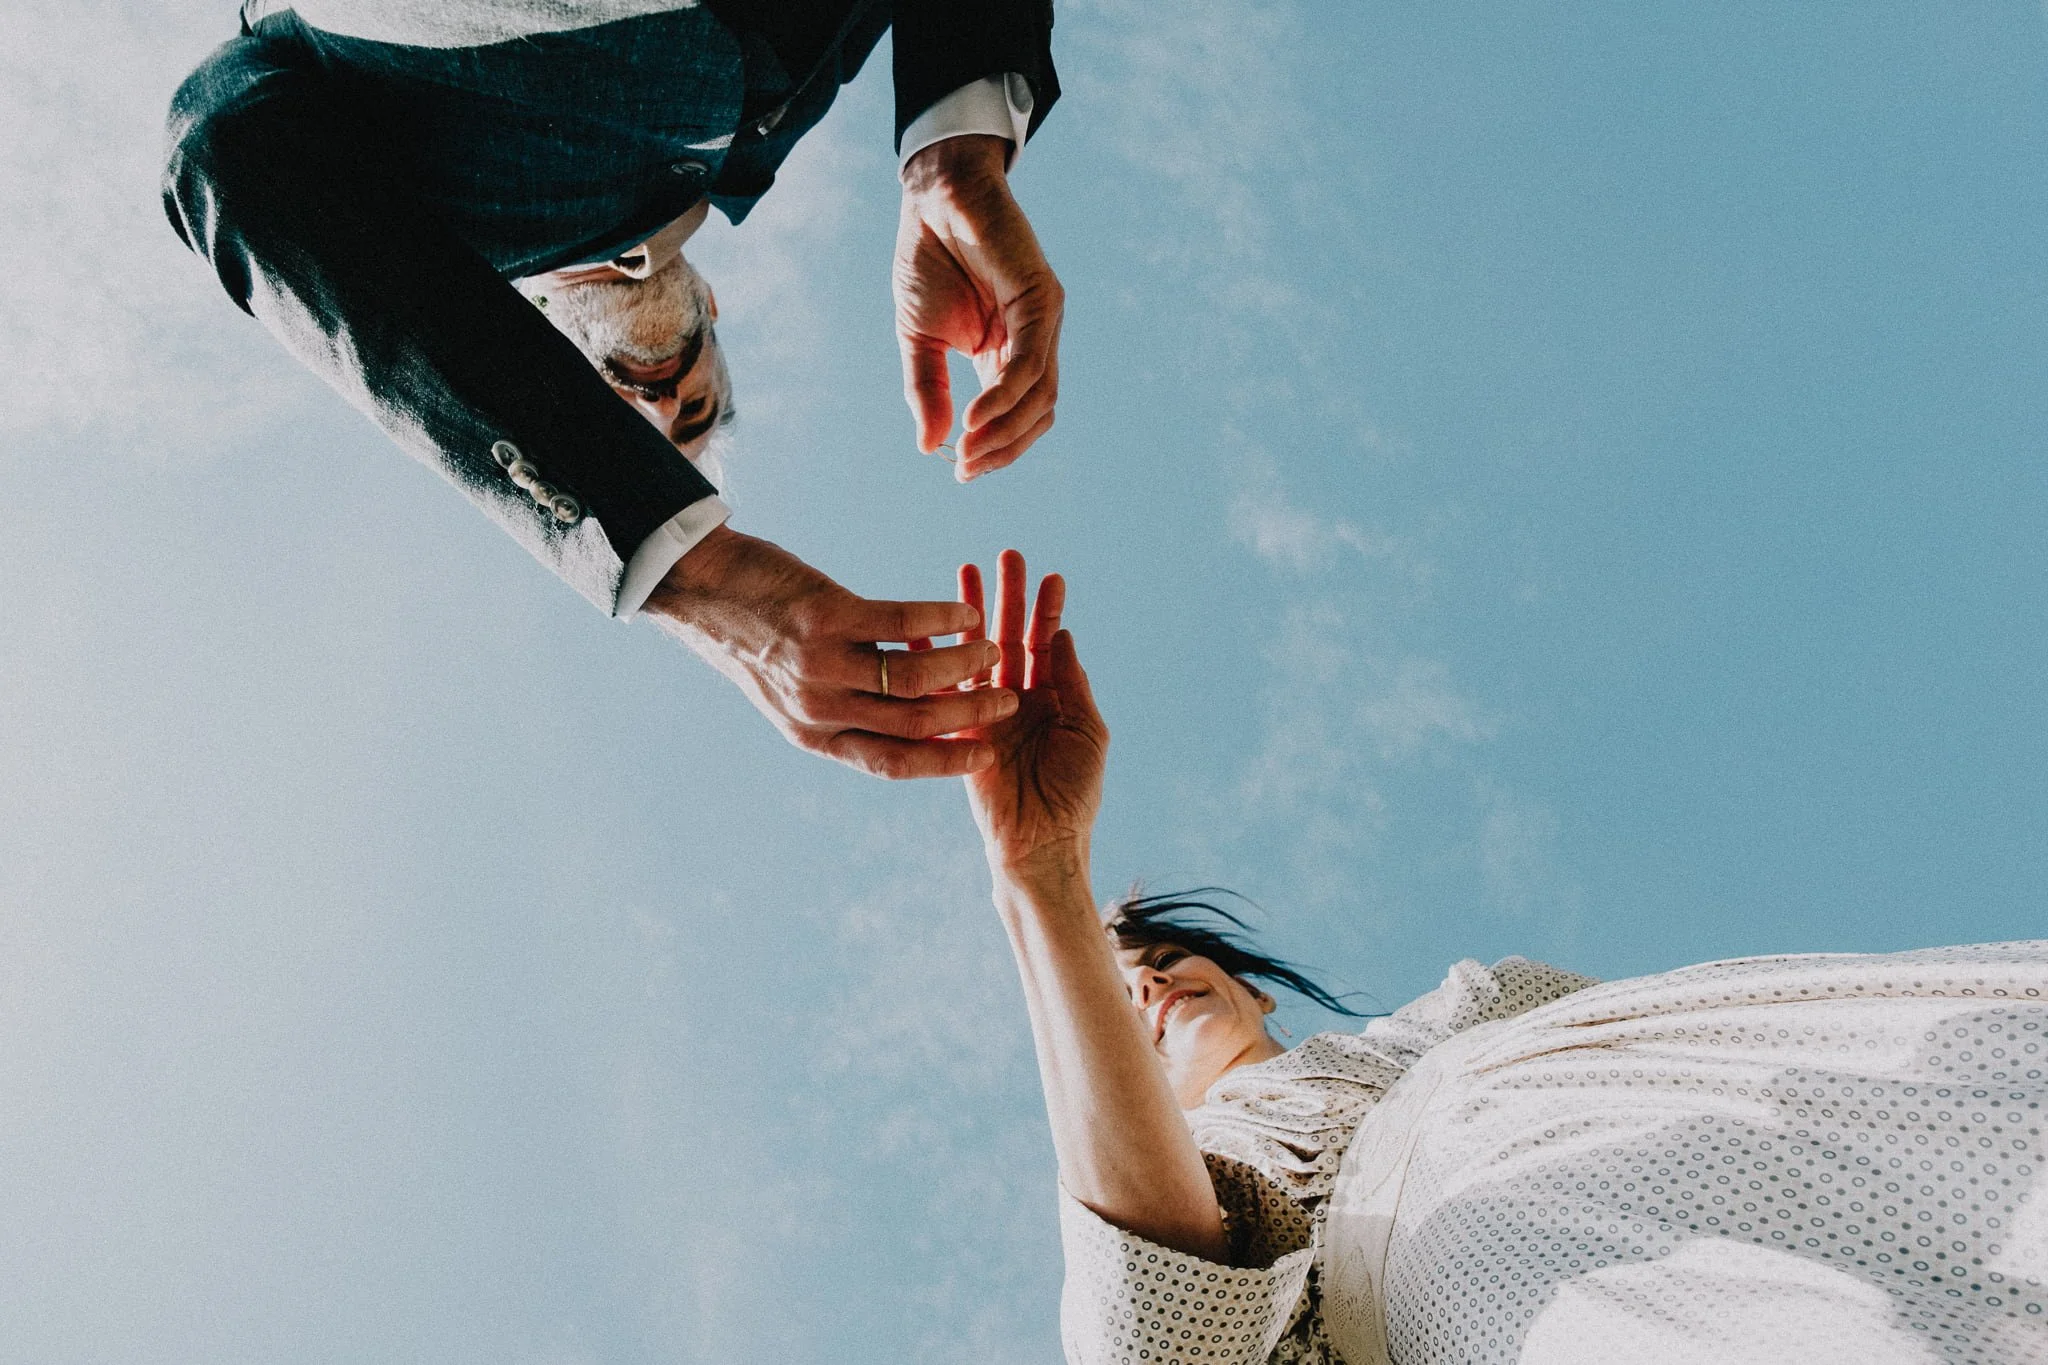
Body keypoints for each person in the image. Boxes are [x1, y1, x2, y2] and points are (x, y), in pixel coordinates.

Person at [952, 549, 2048, 1364]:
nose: (1145, 980)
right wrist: (1041, 880)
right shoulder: (1217, 1194)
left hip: (1799, 1093)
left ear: (1244, 979)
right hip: (1541, 1286)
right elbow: (1162, 1324)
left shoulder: (1464, 1014)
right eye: (1111, 989)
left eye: (1160, 956)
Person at [161, 0, 1064, 780]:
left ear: (539, 349)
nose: (666, 402)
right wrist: (955, 155)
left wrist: (688, 567)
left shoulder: (412, 189)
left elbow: (224, 146)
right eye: (698, 408)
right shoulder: (771, 106)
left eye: (637, 425)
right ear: (712, 303)